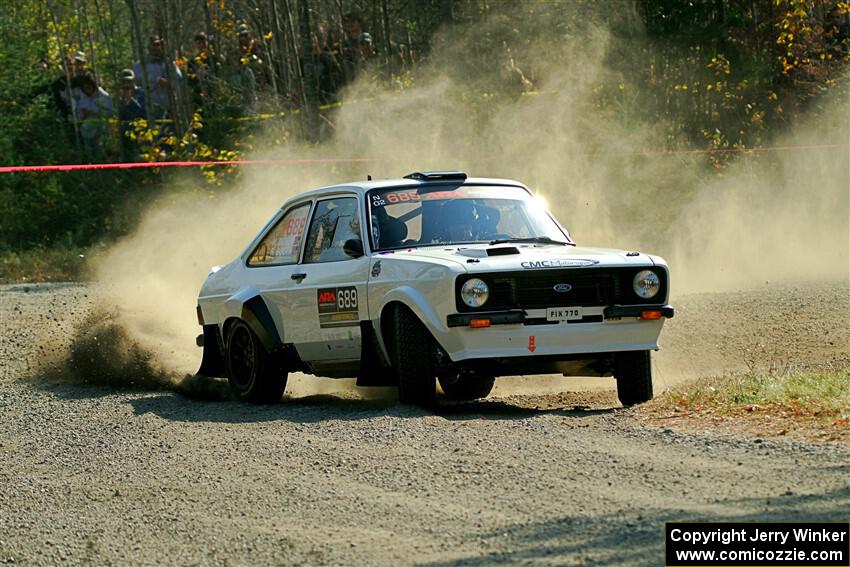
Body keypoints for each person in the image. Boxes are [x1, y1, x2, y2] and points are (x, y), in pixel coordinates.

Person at [133, 34, 182, 120]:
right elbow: (136, 84)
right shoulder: (140, 65)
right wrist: (154, 80)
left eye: (158, 45)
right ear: (148, 47)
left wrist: (168, 82)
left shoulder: (169, 63)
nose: (156, 48)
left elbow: (179, 78)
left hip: (169, 108)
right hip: (149, 109)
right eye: (154, 45)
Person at [74, 72, 113, 161]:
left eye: (89, 87)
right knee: (89, 149)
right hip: (86, 130)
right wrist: (83, 114)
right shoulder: (83, 97)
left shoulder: (103, 96)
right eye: (85, 88)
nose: (87, 90)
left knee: (100, 148)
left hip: (101, 127)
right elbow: (78, 112)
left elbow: (109, 112)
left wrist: (95, 112)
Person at [116, 69, 146, 161]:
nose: (127, 84)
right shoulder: (120, 95)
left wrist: (131, 100)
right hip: (125, 128)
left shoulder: (141, 93)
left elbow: (142, 111)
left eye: (129, 81)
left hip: (140, 127)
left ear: (134, 81)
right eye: (124, 81)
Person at [187, 31, 217, 111]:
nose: (201, 46)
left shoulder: (213, 59)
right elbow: (190, 80)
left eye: (203, 43)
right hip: (198, 93)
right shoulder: (192, 62)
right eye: (198, 43)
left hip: (212, 92)